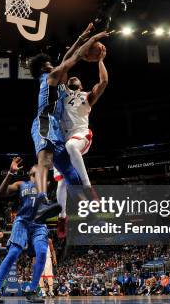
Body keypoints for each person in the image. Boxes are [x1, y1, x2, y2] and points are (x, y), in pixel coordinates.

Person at [28, 30, 110, 223]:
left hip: (59, 132)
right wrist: (92, 40)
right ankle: (41, 202)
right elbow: (73, 58)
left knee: (72, 177)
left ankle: (90, 210)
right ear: (45, 68)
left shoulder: (61, 84)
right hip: (45, 120)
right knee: (45, 160)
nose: (57, 66)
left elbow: (67, 58)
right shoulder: (51, 76)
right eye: (52, 65)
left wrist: (80, 38)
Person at [55, 24, 109, 218]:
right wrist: (81, 40)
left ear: (81, 85)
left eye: (77, 78)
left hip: (81, 136)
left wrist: (100, 61)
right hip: (62, 140)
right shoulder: (62, 92)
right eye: (72, 77)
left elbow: (103, 83)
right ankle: (62, 217)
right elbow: (65, 62)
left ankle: (88, 188)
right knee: (62, 180)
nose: (74, 77)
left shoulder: (87, 96)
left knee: (71, 146)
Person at [0, 158, 49, 303]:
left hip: (39, 225)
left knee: (41, 252)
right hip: (22, 222)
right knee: (14, 252)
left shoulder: (45, 187)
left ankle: (33, 291)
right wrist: (10, 173)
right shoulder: (22, 184)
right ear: (30, 173)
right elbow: (1, 192)